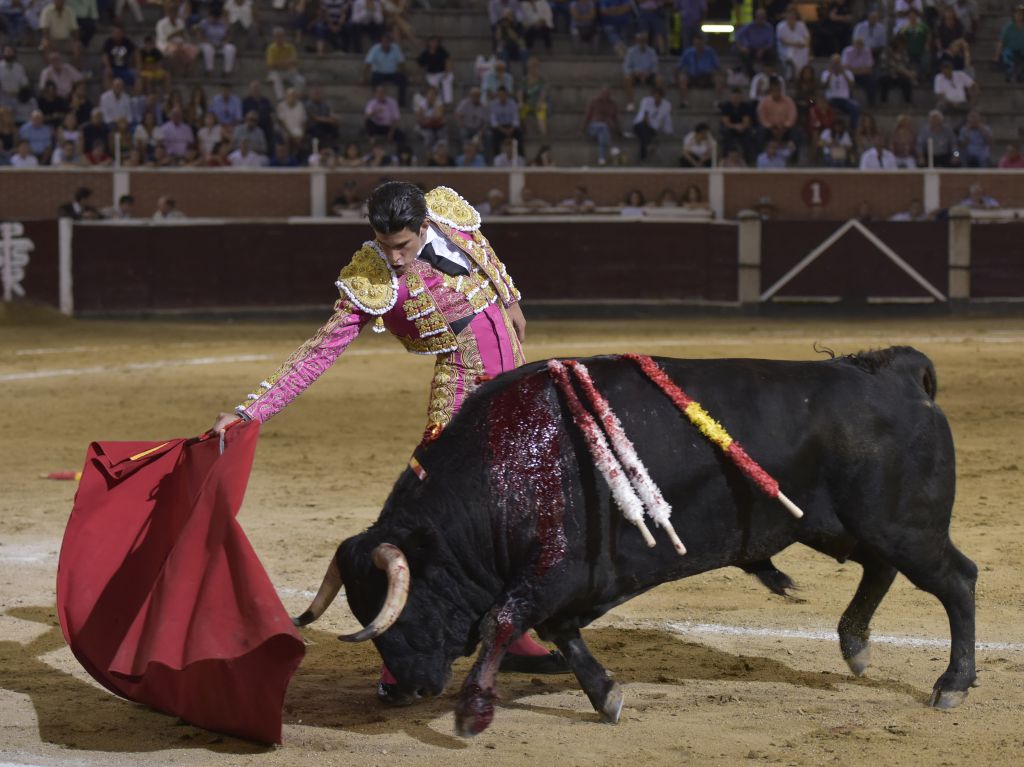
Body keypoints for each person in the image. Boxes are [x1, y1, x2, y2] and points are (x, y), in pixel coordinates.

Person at [209, 182, 564, 703]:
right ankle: (402, 658)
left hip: (514, 383)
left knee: (519, 511)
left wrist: (510, 300)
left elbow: (484, 250)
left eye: (403, 246)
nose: (393, 258)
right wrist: (250, 410)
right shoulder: (371, 279)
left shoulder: (447, 213)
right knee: (437, 525)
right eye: (383, 244)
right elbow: (318, 352)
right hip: (463, 396)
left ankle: (508, 634)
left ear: (424, 225)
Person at [676, 33, 722, 107]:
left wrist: (718, 73)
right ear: (694, 43)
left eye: (700, 43)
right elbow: (679, 66)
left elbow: (718, 66)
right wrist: (678, 74)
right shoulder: (688, 52)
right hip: (692, 76)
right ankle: (684, 101)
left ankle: (718, 101)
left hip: (707, 77)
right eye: (697, 43)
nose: (699, 45)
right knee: (682, 77)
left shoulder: (710, 52)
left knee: (718, 78)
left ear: (704, 42)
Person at [363, 32, 407, 106]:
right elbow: (368, 64)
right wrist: (364, 77)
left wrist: (403, 72)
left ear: (390, 42)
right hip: (379, 72)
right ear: (381, 41)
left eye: (387, 41)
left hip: (392, 73)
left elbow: (401, 63)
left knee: (403, 79)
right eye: (384, 41)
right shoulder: (375, 48)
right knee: (374, 79)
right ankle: (376, 102)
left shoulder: (395, 48)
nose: (385, 43)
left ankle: (401, 102)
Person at [581, 86, 621, 166]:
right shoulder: (594, 102)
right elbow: (587, 116)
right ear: (601, 94)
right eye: (604, 93)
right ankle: (611, 148)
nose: (605, 95)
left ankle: (601, 158)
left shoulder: (613, 104)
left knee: (602, 134)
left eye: (607, 94)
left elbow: (616, 119)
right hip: (593, 127)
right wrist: (582, 129)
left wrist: (619, 131)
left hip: (605, 130)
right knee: (603, 126)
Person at [632, 85, 672, 161]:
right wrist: (648, 124)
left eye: (658, 96)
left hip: (652, 128)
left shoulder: (667, 105)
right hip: (640, 124)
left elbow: (667, 119)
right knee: (643, 130)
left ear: (662, 97)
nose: (656, 98)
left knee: (645, 135)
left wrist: (668, 131)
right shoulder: (646, 101)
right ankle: (647, 149)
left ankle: (644, 154)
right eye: (654, 96)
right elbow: (645, 116)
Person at [266, 26, 305, 101]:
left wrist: (280, 63)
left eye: (281, 36)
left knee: (301, 80)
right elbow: (270, 64)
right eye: (277, 36)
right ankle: (281, 99)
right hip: (276, 72)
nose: (279, 38)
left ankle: (294, 98)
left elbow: (295, 61)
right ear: (274, 37)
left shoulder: (290, 47)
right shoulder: (271, 48)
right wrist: (286, 62)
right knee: (276, 77)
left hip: (288, 71)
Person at [622, 32, 659, 112]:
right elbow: (626, 67)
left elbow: (655, 67)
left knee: (660, 79)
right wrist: (635, 73)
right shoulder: (630, 51)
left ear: (647, 41)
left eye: (644, 40)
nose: (642, 42)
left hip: (649, 75)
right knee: (627, 78)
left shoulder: (652, 51)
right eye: (640, 40)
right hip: (635, 75)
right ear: (636, 41)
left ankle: (657, 103)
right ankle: (630, 103)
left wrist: (648, 73)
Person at [197, 4, 237, 75]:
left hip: (220, 44)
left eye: (217, 17)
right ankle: (209, 71)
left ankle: (227, 72)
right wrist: (210, 43)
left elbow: (229, 36)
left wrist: (223, 42)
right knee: (208, 49)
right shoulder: (204, 23)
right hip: (207, 43)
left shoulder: (223, 23)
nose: (215, 19)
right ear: (210, 15)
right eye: (214, 17)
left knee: (231, 48)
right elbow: (200, 37)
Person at [735, 8, 775, 76]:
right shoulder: (749, 26)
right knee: (744, 55)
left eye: (762, 17)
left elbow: (771, 42)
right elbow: (738, 36)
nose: (760, 19)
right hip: (751, 49)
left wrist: (763, 49)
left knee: (772, 53)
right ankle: (752, 75)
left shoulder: (769, 27)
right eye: (759, 17)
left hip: (764, 49)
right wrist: (742, 47)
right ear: (755, 17)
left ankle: (769, 74)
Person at [417, 36, 454, 105]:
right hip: (431, 74)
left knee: (447, 79)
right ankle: (438, 102)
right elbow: (421, 64)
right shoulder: (425, 53)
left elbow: (448, 61)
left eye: (436, 42)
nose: (434, 43)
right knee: (434, 85)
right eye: (432, 42)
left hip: (442, 72)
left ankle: (448, 101)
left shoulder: (442, 51)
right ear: (429, 43)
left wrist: (446, 72)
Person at [775, 6, 810, 80]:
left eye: (793, 14)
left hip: (800, 47)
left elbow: (807, 37)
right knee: (790, 54)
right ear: (785, 15)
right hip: (786, 48)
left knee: (804, 50)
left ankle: (801, 74)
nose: (791, 16)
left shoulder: (801, 24)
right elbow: (782, 41)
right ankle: (791, 76)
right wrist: (795, 44)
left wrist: (805, 43)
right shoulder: (780, 26)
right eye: (789, 14)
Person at [996, 5, 1024, 82]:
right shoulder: (1008, 27)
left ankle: (1021, 76)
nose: (1019, 16)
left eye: (1021, 14)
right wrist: (997, 55)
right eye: (1017, 13)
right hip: (1010, 49)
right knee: (1007, 58)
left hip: (1022, 50)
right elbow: (1001, 41)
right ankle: (1009, 74)